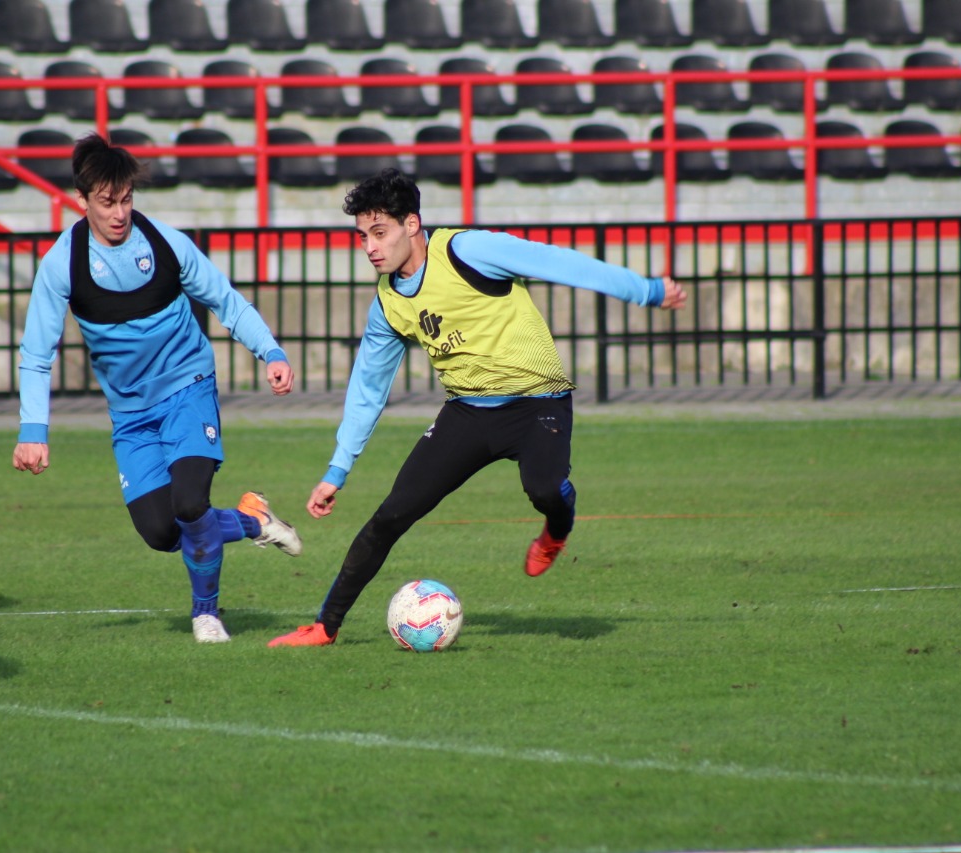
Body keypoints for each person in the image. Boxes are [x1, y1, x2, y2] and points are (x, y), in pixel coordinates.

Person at [269, 168, 689, 648]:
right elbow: (368, 389)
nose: (370, 247)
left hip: (539, 403)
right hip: (467, 415)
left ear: (412, 224)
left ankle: (557, 526)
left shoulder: (466, 251)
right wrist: (336, 471)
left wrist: (645, 290)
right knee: (390, 516)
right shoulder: (387, 304)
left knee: (546, 489)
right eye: (363, 236)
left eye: (379, 233)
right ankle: (325, 626)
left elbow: (555, 262)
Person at [12, 133, 302, 644]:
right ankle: (252, 520)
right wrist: (33, 430)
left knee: (190, 504)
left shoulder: (166, 242)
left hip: (188, 386)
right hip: (131, 415)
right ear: (82, 202)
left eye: (126, 200)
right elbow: (37, 354)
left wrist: (271, 351)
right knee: (161, 531)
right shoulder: (62, 263)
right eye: (107, 203)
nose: (119, 213)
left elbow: (226, 301)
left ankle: (206, 613)